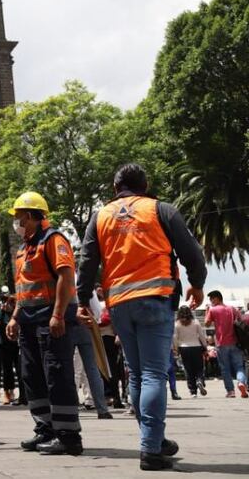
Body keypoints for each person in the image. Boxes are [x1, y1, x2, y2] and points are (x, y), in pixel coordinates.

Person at [78, 163, 207, 471]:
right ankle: (150, 449)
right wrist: (198, 283)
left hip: (120, 303)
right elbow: (192, 252)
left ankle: (154, 438)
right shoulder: (160, 210)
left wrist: (83, 299)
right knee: (152, 374)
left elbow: (86, 261)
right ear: (145, 185)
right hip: (155, 299)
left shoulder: (101, 216)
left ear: (115, 187)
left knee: (136, 374)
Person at [5, 191, 82, 457]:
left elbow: (65, 276)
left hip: (50, 317)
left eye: (19, 217)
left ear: (32, 216)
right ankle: (45, 429)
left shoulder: (53, 239)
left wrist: (58, 315)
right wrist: (15, 316)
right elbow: (23, 287)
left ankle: (68, 435)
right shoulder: (24, 247)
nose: (17, 222)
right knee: (32, 376)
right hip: (28, 319)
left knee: (57, 374)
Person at [204, 290, 246, 398]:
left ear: (217, 298)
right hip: (235, 342)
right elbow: (241, 321)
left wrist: (207, 311)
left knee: (225, 368)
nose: (211, 301)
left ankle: (231, 391)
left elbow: (207, 324)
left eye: (211, 299)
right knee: (239, 366)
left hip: (221, 344)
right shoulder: (232, 309)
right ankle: (241, 382)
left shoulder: (213, 310)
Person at [174, 306, 207, 397]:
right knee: (199, 367)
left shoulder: (177, 324)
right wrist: (205, 346)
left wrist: (176, 348)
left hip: (184, 348)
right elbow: (201, 335)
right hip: (196, 346)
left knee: (188, 369)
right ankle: (200, 380)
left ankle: (193, 391)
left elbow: (175, 338)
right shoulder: (195, 322)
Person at [0, 295, 19, 405]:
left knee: (19, 369)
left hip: (16, 344)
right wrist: (1, 311)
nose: (8, 305)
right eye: (6, 302)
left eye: (10, 303)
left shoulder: (16, 314)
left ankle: (14, 391)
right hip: (4, 345)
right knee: (7, 370)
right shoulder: (1, 314)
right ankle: (6, 392)